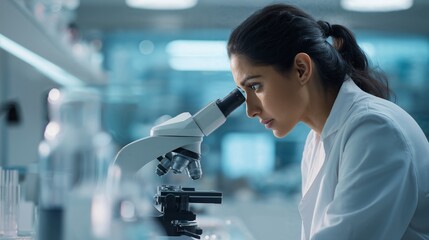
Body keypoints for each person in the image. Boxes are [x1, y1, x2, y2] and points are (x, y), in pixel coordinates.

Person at [227, 3, 429, 240]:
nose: (251, 110)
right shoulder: (319, 138)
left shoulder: (374, 129)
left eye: (255, 86)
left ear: (301, 69)